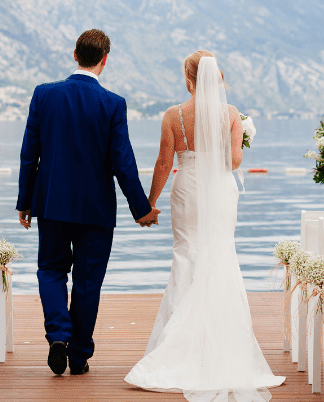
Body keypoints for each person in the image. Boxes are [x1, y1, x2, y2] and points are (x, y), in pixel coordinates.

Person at [124, 50, 284, 401]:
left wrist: (148, 204)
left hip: (187, 190)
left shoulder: (173, 115)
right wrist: (238, 136)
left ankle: (177, 342)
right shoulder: (229, 115)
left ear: (188, 79)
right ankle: (220, 341)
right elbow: (235, 161)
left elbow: (164, 162)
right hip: (220, 191)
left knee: (186, 254)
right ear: (219, 78)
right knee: (220, 254)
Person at [17, 29, 161, 377]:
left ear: (74, 55)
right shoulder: (113, 103)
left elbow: (28, 155)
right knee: (87, 280)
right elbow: (122, 162)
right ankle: (78, 355)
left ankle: (58, 336)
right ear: (104, 60)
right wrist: (141, 209)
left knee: (51, 270)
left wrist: (25, 201)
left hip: (51, 204)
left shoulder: (44, 95)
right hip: (96, 209)